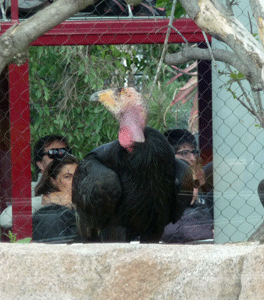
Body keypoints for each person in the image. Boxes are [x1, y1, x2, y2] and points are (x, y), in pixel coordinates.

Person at [0, 135, 71, 228]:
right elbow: (5, 219)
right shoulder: (31, 189)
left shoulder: (78, 185)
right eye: (53, 153)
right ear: (40, 164)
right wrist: (44, 200)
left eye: (64, 152)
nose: (61, 158)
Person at [161, 128, 213, 243]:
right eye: (184, 153)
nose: (192, 158)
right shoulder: (162, 188)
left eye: (194, 152)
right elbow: (170, 230)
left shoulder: (202, 185)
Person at [32, 154, 79, 242]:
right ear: (53, 182)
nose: (75, 181)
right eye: (68, 177)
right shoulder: (50, 214)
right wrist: (43, 200)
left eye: (77, 176)